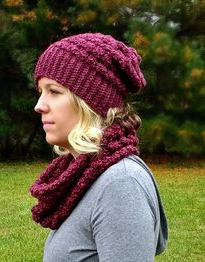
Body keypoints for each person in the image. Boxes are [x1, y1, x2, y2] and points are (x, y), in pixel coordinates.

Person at [30, 33, 168, 262]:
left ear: (91, 103)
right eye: (40, 92)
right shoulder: (87, 174)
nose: (39, 106)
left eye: (54, 91)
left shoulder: (120, 184)